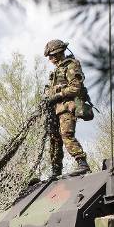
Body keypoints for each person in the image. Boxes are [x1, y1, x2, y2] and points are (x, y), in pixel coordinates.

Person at [43, 38, 91, 177]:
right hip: (55, 110)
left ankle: (82, 163)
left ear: (58, 53)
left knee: (66, 135)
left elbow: (76, 88)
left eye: (51, 56)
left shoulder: (71, 65)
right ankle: (56, 171)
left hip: (67, 107)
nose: (50, 59)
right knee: (54, 139)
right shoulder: (56, 71)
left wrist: (59, 95)